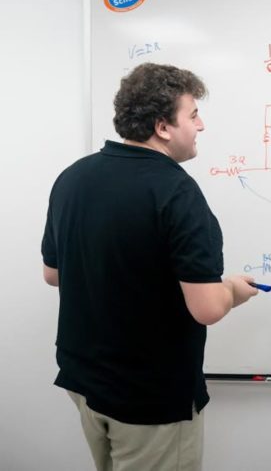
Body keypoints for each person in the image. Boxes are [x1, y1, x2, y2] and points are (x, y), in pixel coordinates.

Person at [42, 62, 258, 471]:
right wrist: (233, 289)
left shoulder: (73, 178)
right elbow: (208, 307)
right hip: (149, 399)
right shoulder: (177, 191)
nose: (201, 125)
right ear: (163, 127)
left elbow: (53, 273)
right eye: (193, 115)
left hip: (84, 381)